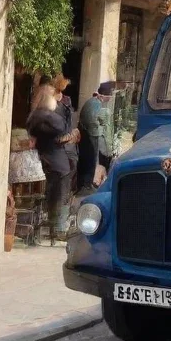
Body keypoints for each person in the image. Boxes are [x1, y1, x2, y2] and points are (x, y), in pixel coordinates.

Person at [25, 85, 72, 242]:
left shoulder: (33, 117)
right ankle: (56, 229)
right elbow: (63, 129)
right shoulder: (51, 117)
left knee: (49, 196)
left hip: (43, 162)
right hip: (58, 164)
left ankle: (50, 226)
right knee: (59, 197)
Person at [78, 81, 115, 191]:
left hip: (89, 135)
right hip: (89, 136)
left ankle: (87, 184)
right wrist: (100, 128)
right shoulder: (95, 103)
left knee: (90, 160)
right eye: (111, 95)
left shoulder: (94, 102)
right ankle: (86, 186)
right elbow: (92, 122)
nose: (111, 98)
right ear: (105, 95)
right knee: (89, 161)